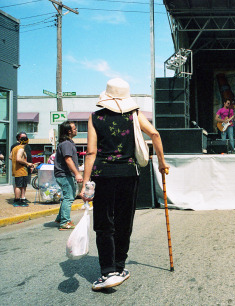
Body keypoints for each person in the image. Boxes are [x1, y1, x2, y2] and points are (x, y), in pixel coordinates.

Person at [80, 78, 169, 291]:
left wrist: (85, 183)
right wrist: (162, 163)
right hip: (129, 174)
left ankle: (107, 272)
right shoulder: (134, 115)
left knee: (104, 223)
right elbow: (155, 134)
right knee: (124, 220)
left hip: (103, 174)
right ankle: (120, 267)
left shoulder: (94, 117)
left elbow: (91, 152)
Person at [54, 121, 83, 230]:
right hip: (65, 174)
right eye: (74, 128)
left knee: (67, 197)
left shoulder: (67, 143)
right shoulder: (66, 144)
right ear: (69, 131)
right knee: (69, 198)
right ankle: (65, 222)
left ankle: (60, 218)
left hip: (63, 174)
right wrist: (77, 174)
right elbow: (68, 159)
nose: (76, 130)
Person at [9, 135, 33, 207]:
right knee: (20, 186)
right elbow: (18, 159)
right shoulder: (21, 149)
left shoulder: (15, 148)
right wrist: (27, 163)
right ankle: (17, 201)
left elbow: (10, 157)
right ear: (27, 142)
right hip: (21, 170)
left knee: (18, 185)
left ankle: (19, 200)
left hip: (16, 169)